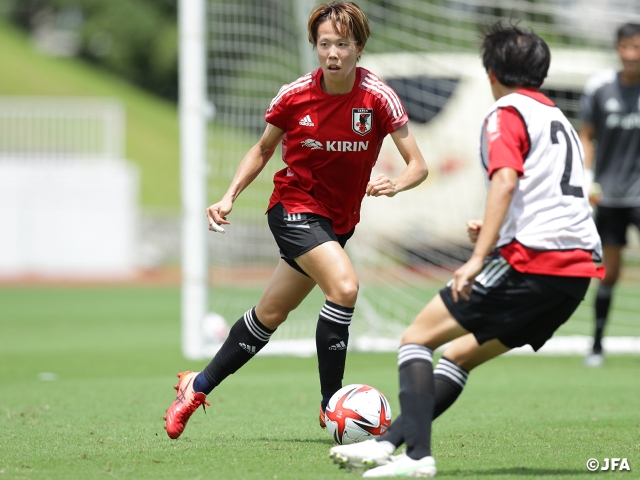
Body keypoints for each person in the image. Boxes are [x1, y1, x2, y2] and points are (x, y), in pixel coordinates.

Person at [329, 22, 605, 478]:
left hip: (533, 263)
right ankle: (386, 445)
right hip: (575, 276)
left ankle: (417, 458)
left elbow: (506, 179)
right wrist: (497, 231)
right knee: (457, 355)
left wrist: (477, 258)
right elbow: (549, 197)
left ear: (491, 71)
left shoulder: (506, 114)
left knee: (416, 339)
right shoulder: (560, 120)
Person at [163, 1, 428, 440]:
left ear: (359, 47)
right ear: (315, 47)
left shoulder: (378, 98)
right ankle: (331, 405)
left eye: (342, 44)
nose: (333, 53)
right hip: (293, 208)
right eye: (325, 44)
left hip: (338, 223)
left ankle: (196, 386)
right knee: (344, 287)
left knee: (270, 313)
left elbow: (418, 164)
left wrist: (396, 183)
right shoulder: (294, 94)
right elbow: (263, 149)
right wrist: (228, 197)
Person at [579, 23, 640, 368]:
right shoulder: (601, 89)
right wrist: (588, 178)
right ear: (618, 49)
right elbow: (586, 135)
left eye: (637, 47)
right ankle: (597, 345)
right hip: (611, 197)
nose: (632, 54)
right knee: (609, 272)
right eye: (626, 47)